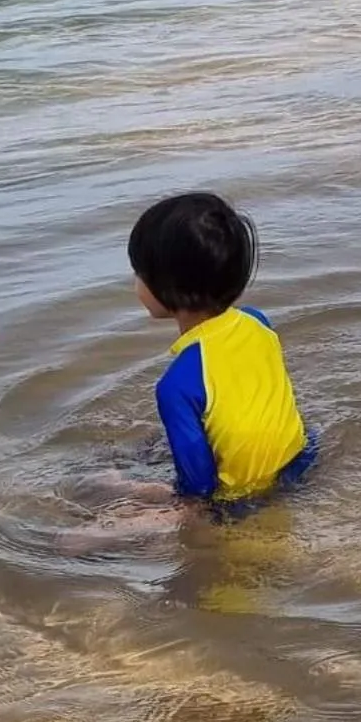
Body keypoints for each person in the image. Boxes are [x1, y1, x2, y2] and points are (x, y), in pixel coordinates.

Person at [129, 191, 316, 509]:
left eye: (139, 272)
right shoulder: (257, 321)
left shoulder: (176, 386)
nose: (135, 282)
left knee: (93, 506)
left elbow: (199, 486)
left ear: (168, 286)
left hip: (244, 501)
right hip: (301, 459)